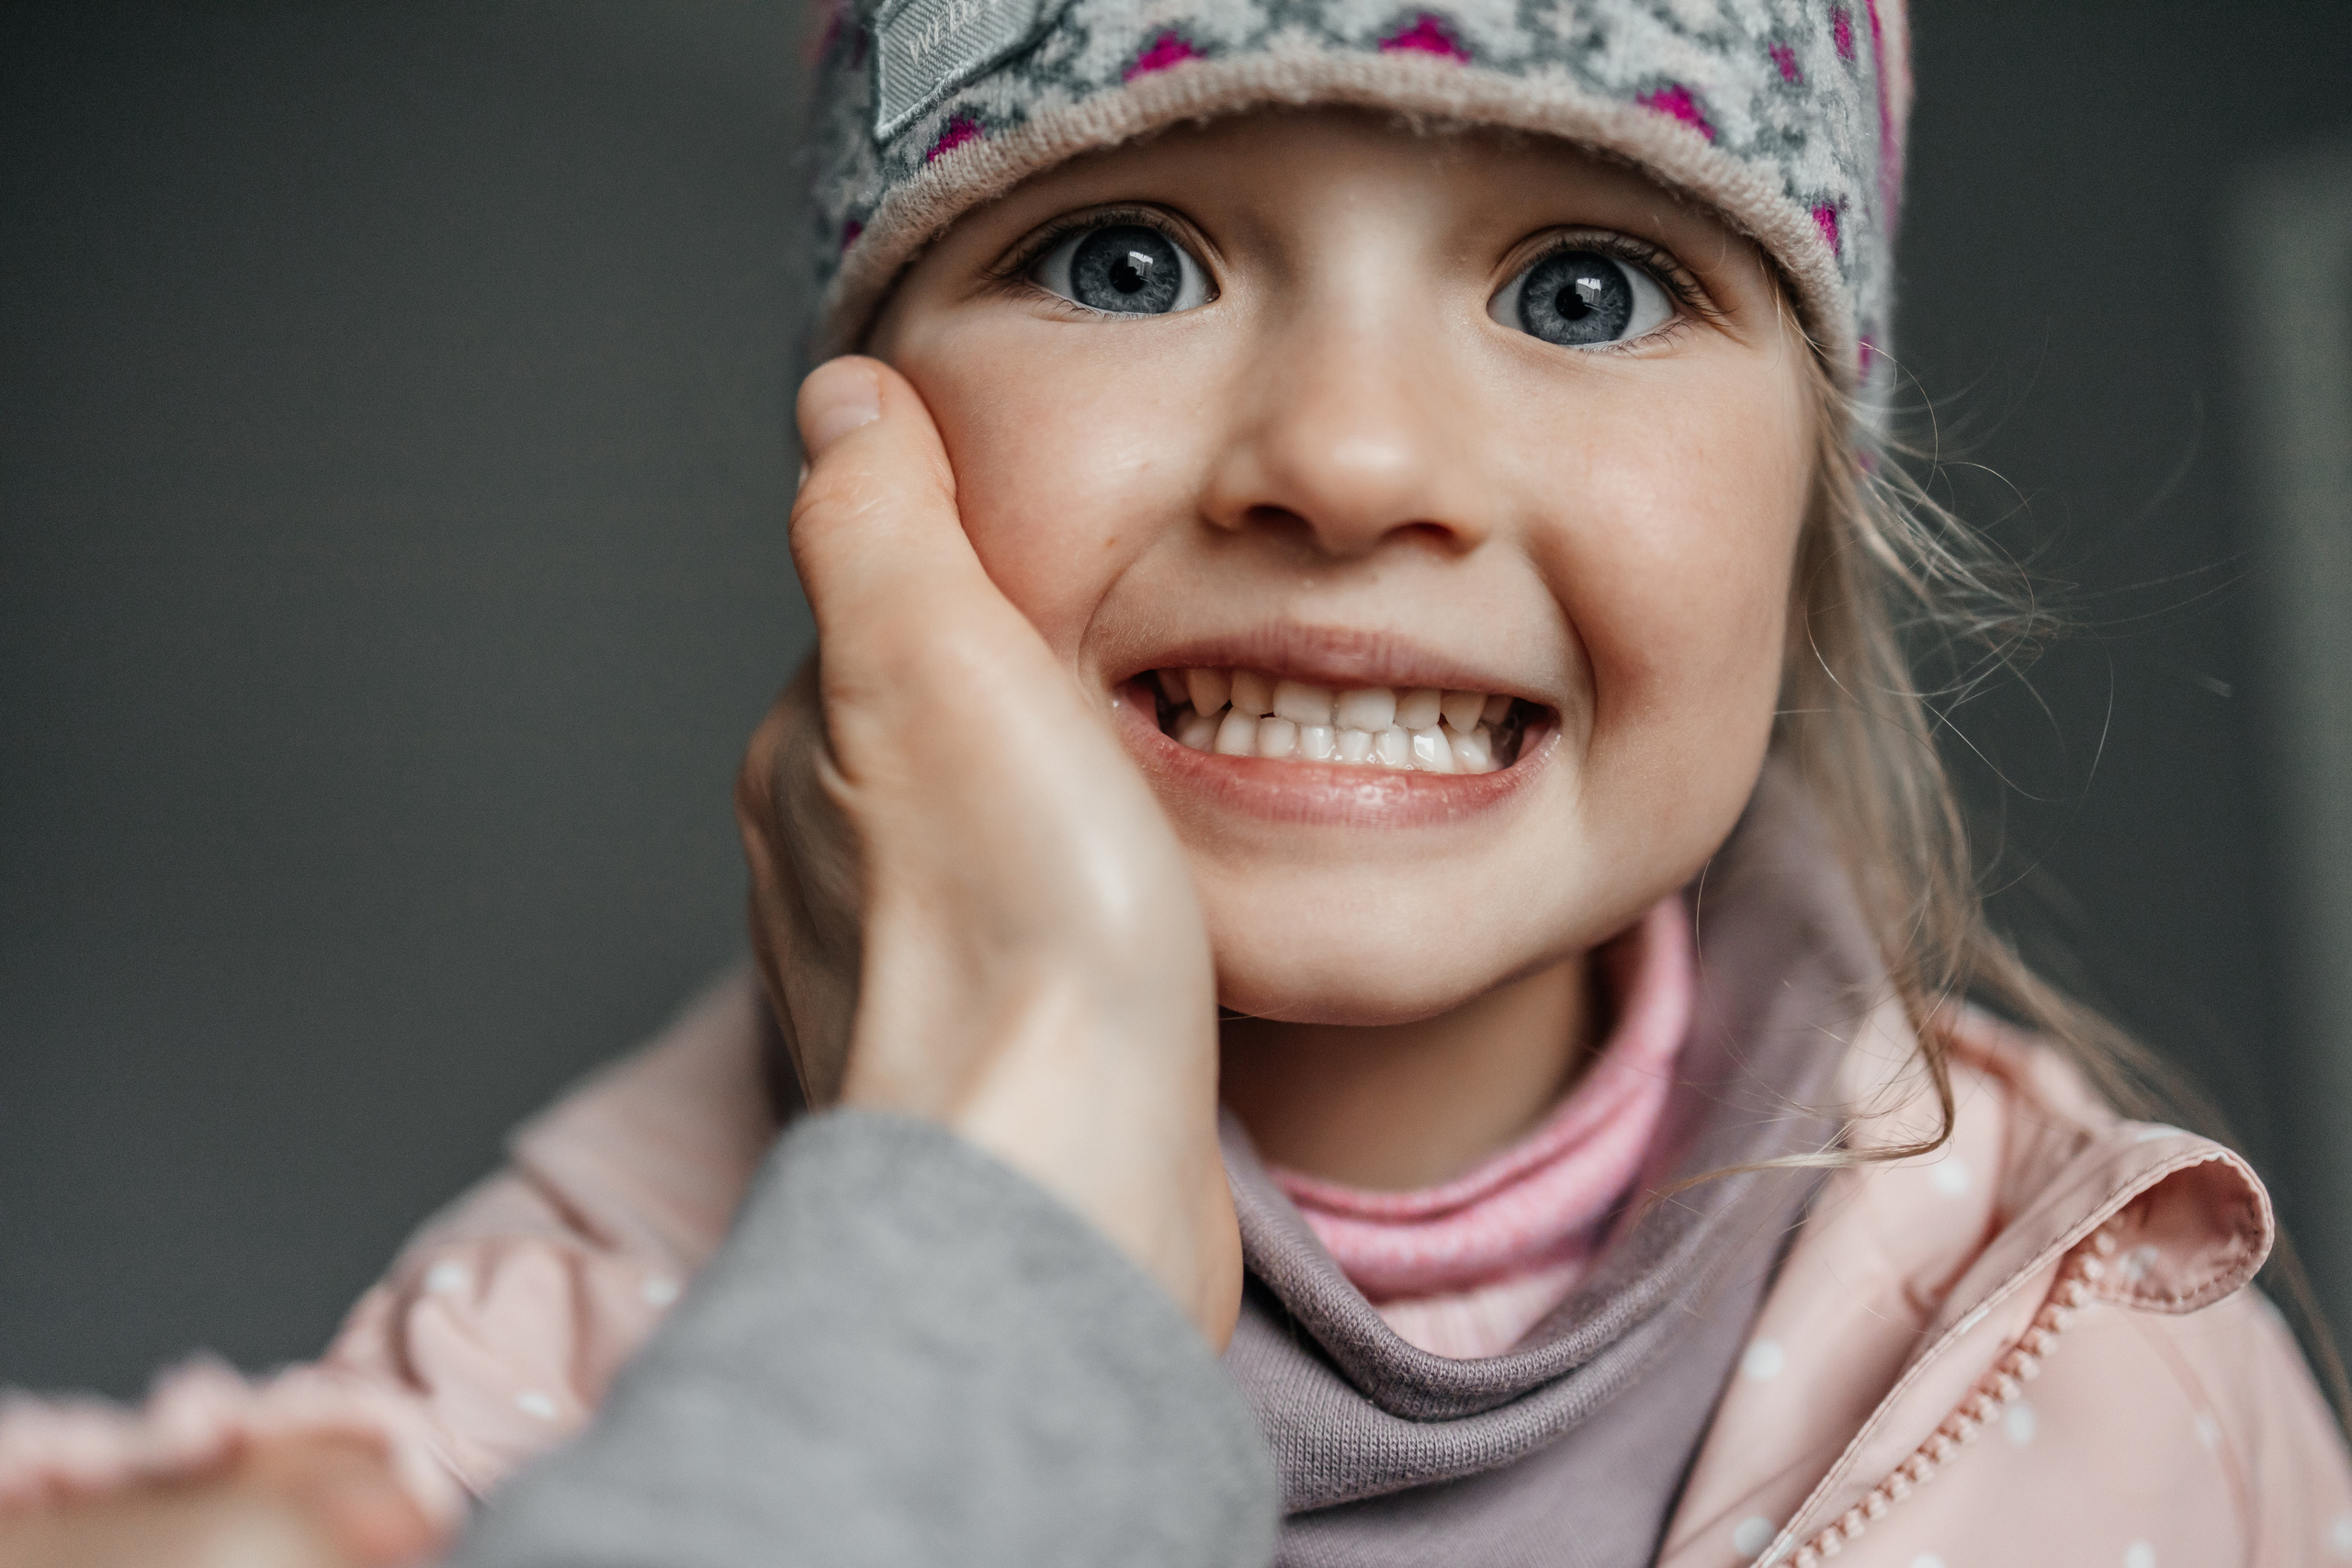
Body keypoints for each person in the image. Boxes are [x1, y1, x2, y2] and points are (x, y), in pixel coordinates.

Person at [6, 1, 2350, 1564]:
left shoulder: (2126, 1351)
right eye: (1125, 260)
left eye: (1583, 289)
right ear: (859, 466)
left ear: (1810, 514)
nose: (1348, 458)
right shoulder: (537, 1371)